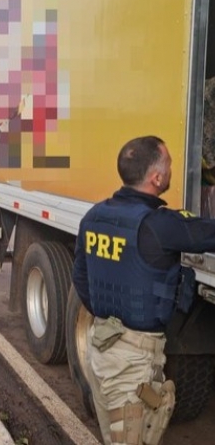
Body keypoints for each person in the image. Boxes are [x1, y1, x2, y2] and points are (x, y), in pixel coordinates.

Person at [72, 135, 215, 445]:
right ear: (157, 177)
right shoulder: (159, 224)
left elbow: (80, 279)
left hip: (103, 348)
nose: (173, 169)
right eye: (170, 164)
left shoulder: (93, 217)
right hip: (132, 363)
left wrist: (111, 320)